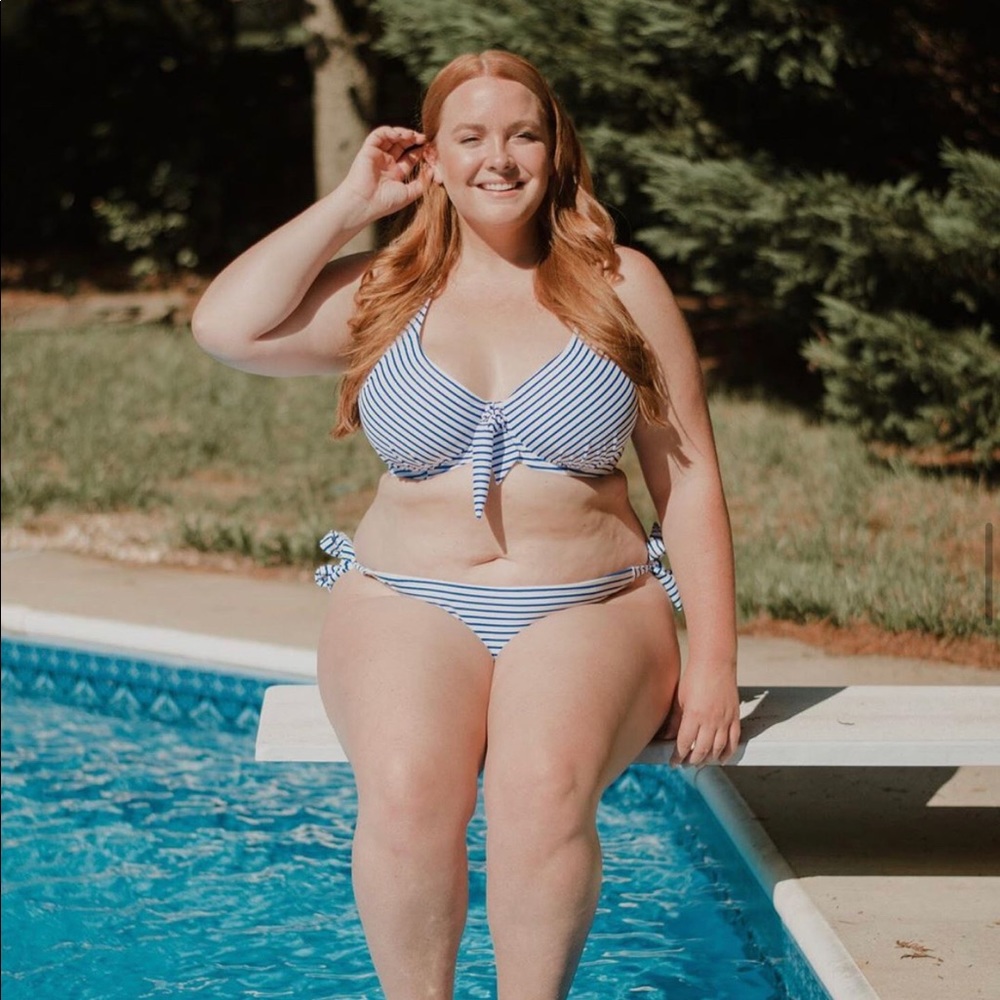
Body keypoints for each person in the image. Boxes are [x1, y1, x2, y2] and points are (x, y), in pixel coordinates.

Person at [192, 49, 740, 1000]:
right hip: (404, 600)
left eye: (524, 134)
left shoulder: (624, 285)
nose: (500, 158)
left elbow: (687, 484)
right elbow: (225, 327)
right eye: (471, 137)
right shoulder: (382, 291)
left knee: (537, 794)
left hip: (591, 604)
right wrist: (354, 202)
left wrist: (717, 663)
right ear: (432, 159)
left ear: (555, 150)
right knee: (406, 799)